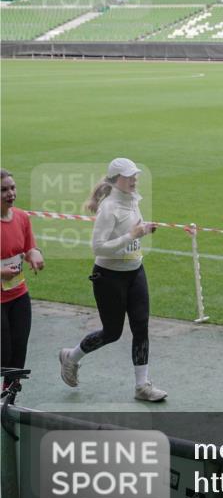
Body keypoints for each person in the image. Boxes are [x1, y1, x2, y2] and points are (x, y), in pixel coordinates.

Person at [59, 158, 166, 402]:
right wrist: (132, 235)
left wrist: (143, 230)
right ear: (117, 179)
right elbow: (98, 247)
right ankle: (71, 357)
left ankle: (142, 386)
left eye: (135, 175)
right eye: (129, 176)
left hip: (136, 271)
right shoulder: (108, 208)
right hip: (109, 277)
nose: (134, 179)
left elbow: (131, 233)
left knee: (141, 326)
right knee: (112, 332)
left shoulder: (133, 200)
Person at [1, 169, 44, 393]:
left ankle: (10, 397)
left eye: (12, 188)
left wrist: (35, 254)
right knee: (4, 353)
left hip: (18, 294)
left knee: (19, 350)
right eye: (4, 190)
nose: (11, 193)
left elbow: (29, 247)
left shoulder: (21, 217)